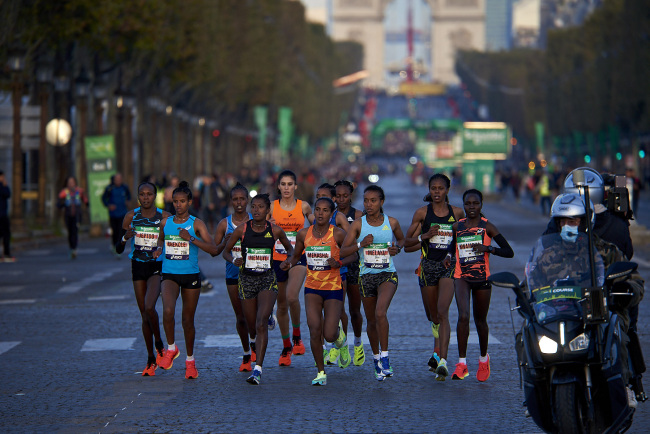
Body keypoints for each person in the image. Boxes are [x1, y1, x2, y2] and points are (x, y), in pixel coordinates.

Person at [222, 194, 293, 385]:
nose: (256, 210)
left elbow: (291, 249)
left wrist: (288, 262)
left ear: (267, 210)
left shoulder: (275, 230)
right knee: (251, 323)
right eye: (254, 207)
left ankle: (257, 369)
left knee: (261, 323)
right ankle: (267, 316)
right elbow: (226, 252)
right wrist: (233, 260)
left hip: (267, 279)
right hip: (246, 280)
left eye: (260, 207)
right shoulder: (242, 230)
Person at [281, 196, 351, 385]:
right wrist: (289, 263)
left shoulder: (337, 234)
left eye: (325, 210)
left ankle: (340, 338)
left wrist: (339, 262)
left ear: (331, 213)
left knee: (329, 334)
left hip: (333, 288)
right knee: (314, 330)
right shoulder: (304, 234)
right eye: (317, 210)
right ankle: (321, 372)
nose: (320, 213)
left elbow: (353, 255)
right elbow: (296, 256)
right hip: (312, 287)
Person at [153, 181, 218, 379]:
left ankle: (190, 361)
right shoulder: (166, 222)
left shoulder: (196, 224)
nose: (178, 205)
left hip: (190, 275)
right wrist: (158, 249)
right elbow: (161, 239)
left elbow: (213, 249)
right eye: (175, 202)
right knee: (168, 310)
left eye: (182, 201)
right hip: (169, 273)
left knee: (187, 320)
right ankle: (171, 348)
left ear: (190, 202)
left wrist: (190, 238)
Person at [447, 189, 514, 382]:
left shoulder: (488, 227)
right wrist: (449, 256)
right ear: (464, 205)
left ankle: (484, 359)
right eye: (468, 204)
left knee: (480, 321)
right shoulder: (457, 226)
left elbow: (509, 252)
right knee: (463, 316)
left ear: (481, 205)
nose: (471, 207)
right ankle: (462, 364)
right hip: (462, 277)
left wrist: (488, 248)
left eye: (475, 203)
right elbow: (453, 247)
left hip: (482, 279)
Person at [340, 185, 406, 381]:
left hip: (387, 275)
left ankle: (385, 358)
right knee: (371, 321)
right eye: (366, 201)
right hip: (365, 277)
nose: (369, 204)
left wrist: (396, 248)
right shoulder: (358, 225)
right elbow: (343, 251)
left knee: (380, 313)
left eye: (373, 200)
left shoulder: (391, 222)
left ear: (381, 202)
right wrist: (361, 244)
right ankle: (376, 359)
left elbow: (402, 240)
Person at [403, 174, 464, 378]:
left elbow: (462, 243)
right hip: (427, 267)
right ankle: (437, 351)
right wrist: (425, 236)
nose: (437, 192)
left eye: (441, 188)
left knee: (442, 311)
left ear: (447, 190)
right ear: (429, 190)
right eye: (433, 188)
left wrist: (452, 256)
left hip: (448, 267)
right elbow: (406, 245)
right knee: (433, 316)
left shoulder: (457, 213)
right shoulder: (422, 213)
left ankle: (443, 361)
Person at [115, 181, 171, 376]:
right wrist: (124, 238)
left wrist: (160, 248)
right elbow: (119, 248)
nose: (146, 197)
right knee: (144, 315)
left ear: (155, 196)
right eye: (142, 194)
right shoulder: (131, 216)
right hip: (137, 266)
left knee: (149, 307)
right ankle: (150, 358)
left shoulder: (164, 217)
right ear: (138, 196)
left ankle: (160, 345)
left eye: (149, 194)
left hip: (156, 267)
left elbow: (172, 243)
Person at [268, 170, 314, 366]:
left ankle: (297, 334)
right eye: (283, 184)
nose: (286, 188)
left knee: (292, 296)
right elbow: (257, 225)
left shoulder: (303, 206)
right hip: (276, 258)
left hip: (297, 257)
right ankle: (287, 346)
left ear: (295, 186)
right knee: (282, 305)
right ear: (278, 186)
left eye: (290, 184)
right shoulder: (271, 207)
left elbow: (317, 225)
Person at [213, 183, 255, 372]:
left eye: (242, 199)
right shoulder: (224, 223)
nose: (239, 203)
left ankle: (254, 342)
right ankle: (246, 353)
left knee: (253, 316)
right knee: (240, 317)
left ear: (247, 200)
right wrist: (225, 242)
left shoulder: (257, 220)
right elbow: (215, 250)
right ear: (231, 201)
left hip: (255, 274)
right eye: (235, 199)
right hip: (233, 274)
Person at [314, 183, 353, 367]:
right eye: (318, 197)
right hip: (316, 275)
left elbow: (350, 240)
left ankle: (341, 344)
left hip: (338, 273)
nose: (320, 200)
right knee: (320, 314)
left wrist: (338, 254)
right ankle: (322, 347)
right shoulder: (314, 219)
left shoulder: (339, 217)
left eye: (325, 197)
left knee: (338, 311)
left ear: (333, 201)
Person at [334, 179, 365, 366]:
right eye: (338, 196)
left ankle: (359, 342)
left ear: (351, 196)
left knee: (354, 310)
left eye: (345, 195)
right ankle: (341, 345)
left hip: (355, 265)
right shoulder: (330, 215)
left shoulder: (359, 215)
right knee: (337, 308)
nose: (342, 199)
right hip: (336, 266)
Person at [57, 176, 88, 259]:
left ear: (75, 183)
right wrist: (62, 205)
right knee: (70, 232)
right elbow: (59, 203)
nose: (71, 184)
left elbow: (85, 200)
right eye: (69, 182)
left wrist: (87, 204)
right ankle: (71, 247)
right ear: (67, 184)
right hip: (68, 214)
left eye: (72, 182)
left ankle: (74, 248)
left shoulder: (80, 191)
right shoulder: (64, 192)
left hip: (77, 215)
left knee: (75, 231)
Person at [102, 173, 131, 256]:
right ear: (114, 180)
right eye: (116, 179)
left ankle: (119, 247)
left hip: (122, 213)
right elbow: (104, 198)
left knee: (121, 231)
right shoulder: (110, 188)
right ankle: (114, 245)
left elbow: (129, 196)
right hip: (113, 214)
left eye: (120, 179)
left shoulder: (124, 187)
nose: (118, 181)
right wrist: (108, 205)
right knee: (114, 231)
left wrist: (127, 201)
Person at [0, 171, 13, 262]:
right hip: (2, 214)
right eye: (2, 177)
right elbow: (7, 194)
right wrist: (5, 185)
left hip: (3, 213)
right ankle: (6, 254)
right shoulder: (2, 186)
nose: (4, 178)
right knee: (6, 234)